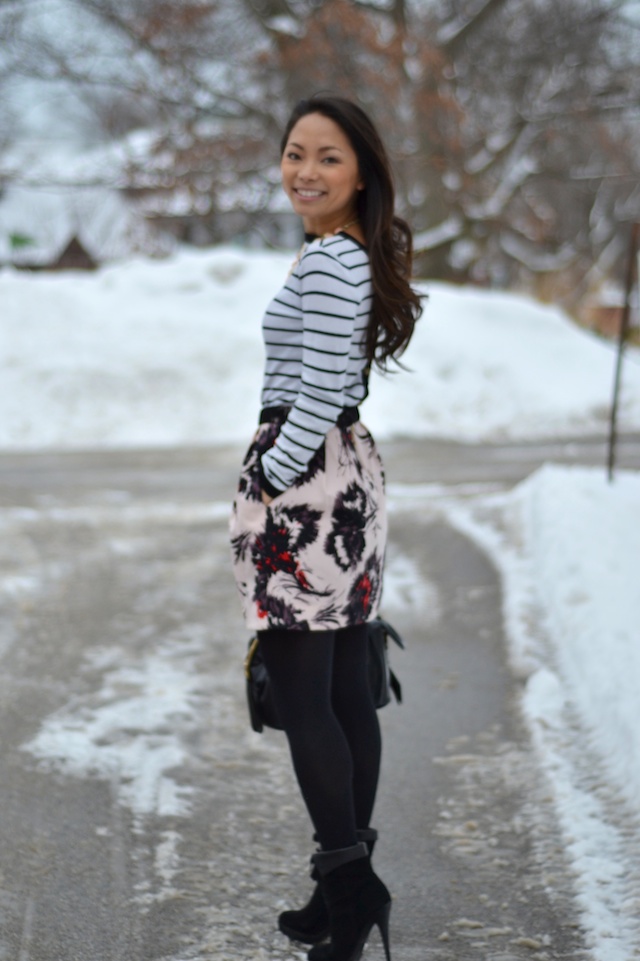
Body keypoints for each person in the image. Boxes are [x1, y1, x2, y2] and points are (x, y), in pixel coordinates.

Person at [229, 95, 422, 961]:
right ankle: (341, 890)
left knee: (305, 692)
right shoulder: (344, 255)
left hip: (307, 479)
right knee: (347, 687)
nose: (304, 170)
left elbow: (314, 390)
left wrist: (272, 473)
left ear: (362, 171)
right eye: (295, 152)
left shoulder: (331, 262)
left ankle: (348, 887)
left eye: (328, 157)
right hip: (343, 474)